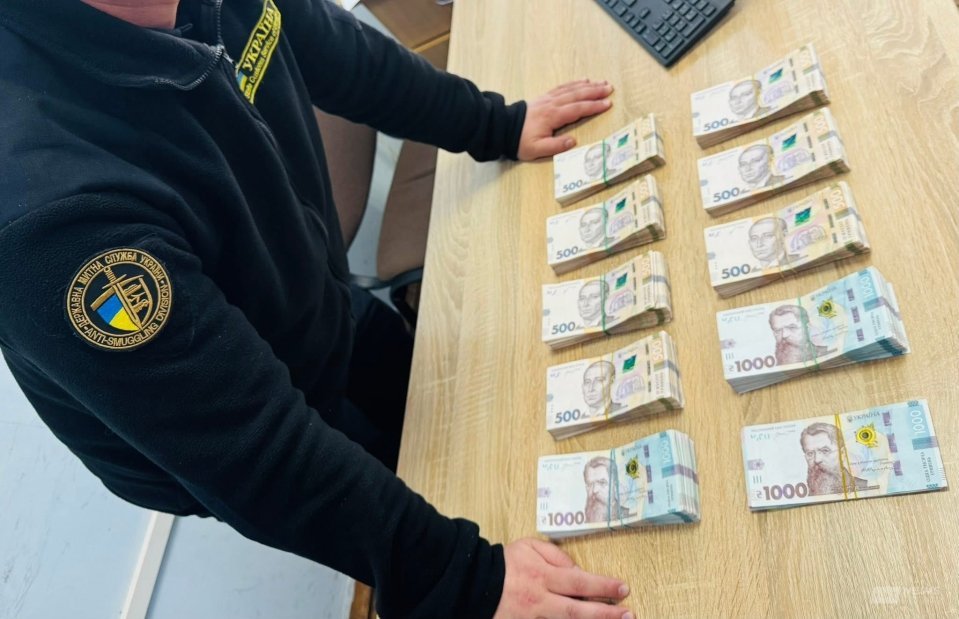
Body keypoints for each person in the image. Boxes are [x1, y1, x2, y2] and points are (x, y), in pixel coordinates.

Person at [0, 1, 634, 618]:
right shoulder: (41, 205)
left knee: (487, 426)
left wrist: (496, 125)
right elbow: (255, 455)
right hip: (242, 425)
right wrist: (466, 582)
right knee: (452, 505)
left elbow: (341, 52)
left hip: (319, 301)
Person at [800, 422, 869, 495]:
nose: (817, 460)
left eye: (825, 451)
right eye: (810, 453)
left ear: (842, 454)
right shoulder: (806, 493)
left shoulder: (864, 487)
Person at [583, 456, 630, 523]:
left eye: (602, 483)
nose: (594, 490)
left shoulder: (627, 515)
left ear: (615, 485)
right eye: (590, 484)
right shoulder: (586, 519)